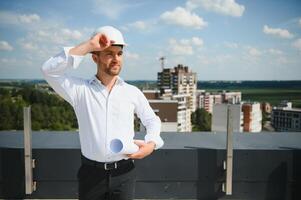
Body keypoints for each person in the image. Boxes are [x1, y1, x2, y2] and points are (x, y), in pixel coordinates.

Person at [41, 26, 164, 200]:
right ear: (95, 57)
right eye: (109, 54)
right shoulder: (79, 90)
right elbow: (49, 70)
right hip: (91, 176)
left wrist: (151, 144)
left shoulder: (132, 92)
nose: (116, 59)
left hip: (125, 174)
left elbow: (152, 120)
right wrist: (88, 45)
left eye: (119, 54)